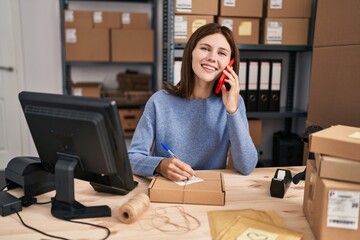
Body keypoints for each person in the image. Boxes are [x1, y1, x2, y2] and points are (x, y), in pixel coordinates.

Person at [128, 23, 258, 181]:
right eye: (205, 48)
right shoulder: (160, 101)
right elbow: (132, 158)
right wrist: (159, 165)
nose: (212, 57)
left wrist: (232, 110)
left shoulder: (234, 104)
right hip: (168, 190)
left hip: (210, 190)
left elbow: (246, 166)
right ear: (191, 53)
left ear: (229, 64)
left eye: (222, 53)